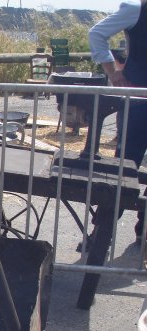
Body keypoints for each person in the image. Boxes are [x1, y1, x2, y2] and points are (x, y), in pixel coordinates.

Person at [89, 0, 147, 242]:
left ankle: (143, 234)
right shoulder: (138, 9)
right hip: (138, 103)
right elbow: (97, 34)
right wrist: (113, 72)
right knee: (123, 169)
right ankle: (101, 235)